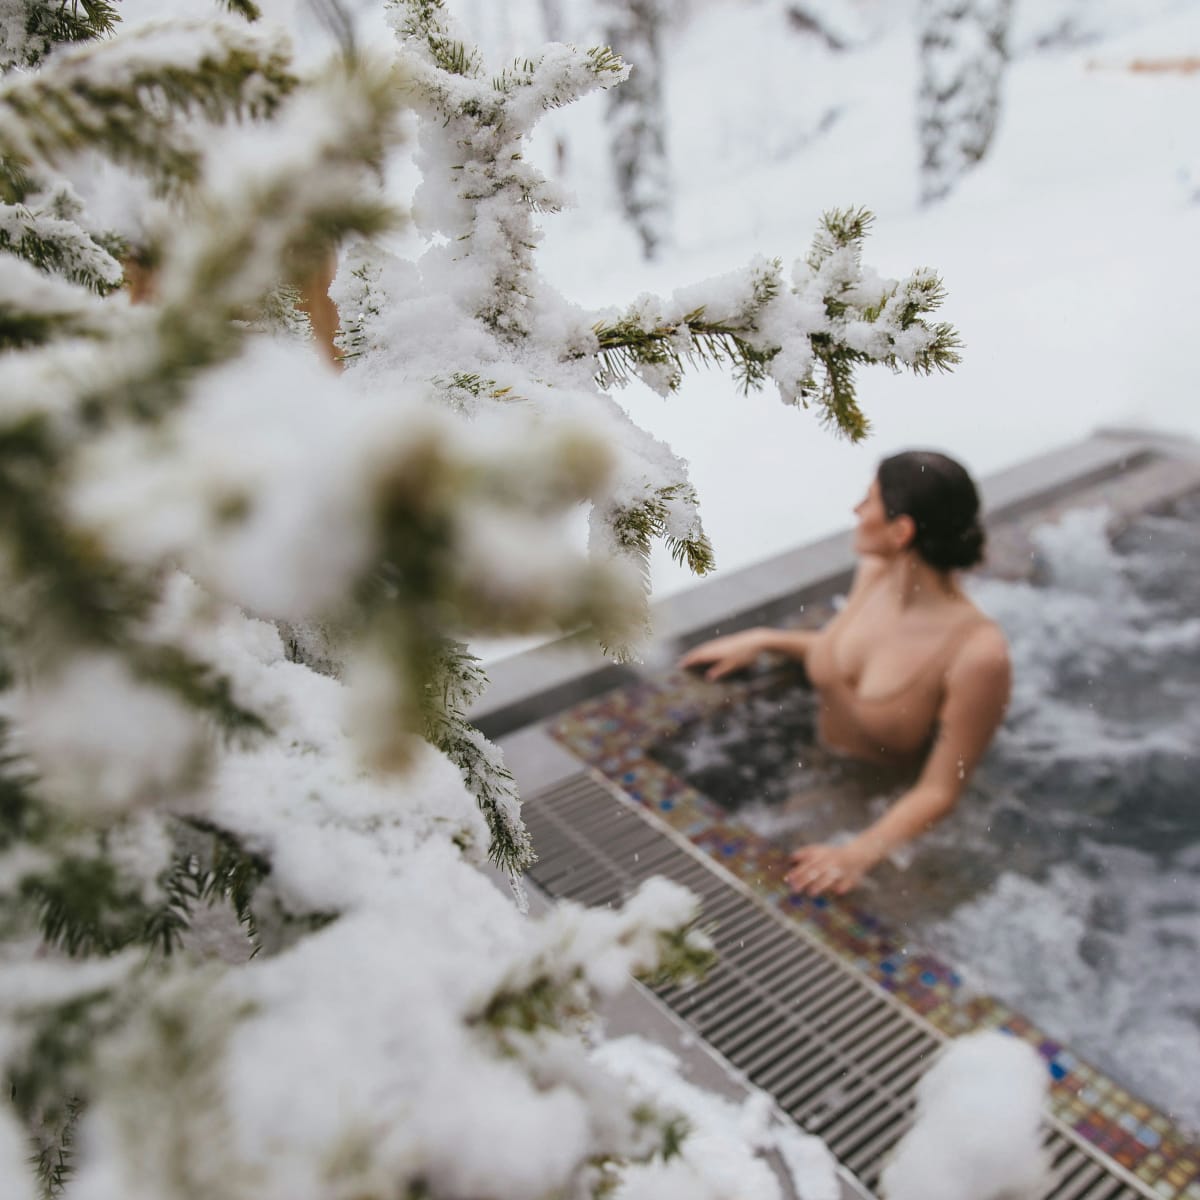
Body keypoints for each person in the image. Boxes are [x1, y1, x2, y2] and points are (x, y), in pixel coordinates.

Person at [678, 450, 1011, 897]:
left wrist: (858, 854)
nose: (856, 510)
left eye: (868, 500)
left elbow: (940, 790)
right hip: (813, 774)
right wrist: (764, 638)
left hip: (884, 813)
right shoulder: (875, 574)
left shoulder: (977, 655)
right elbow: (846, 653)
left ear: (901, 531)